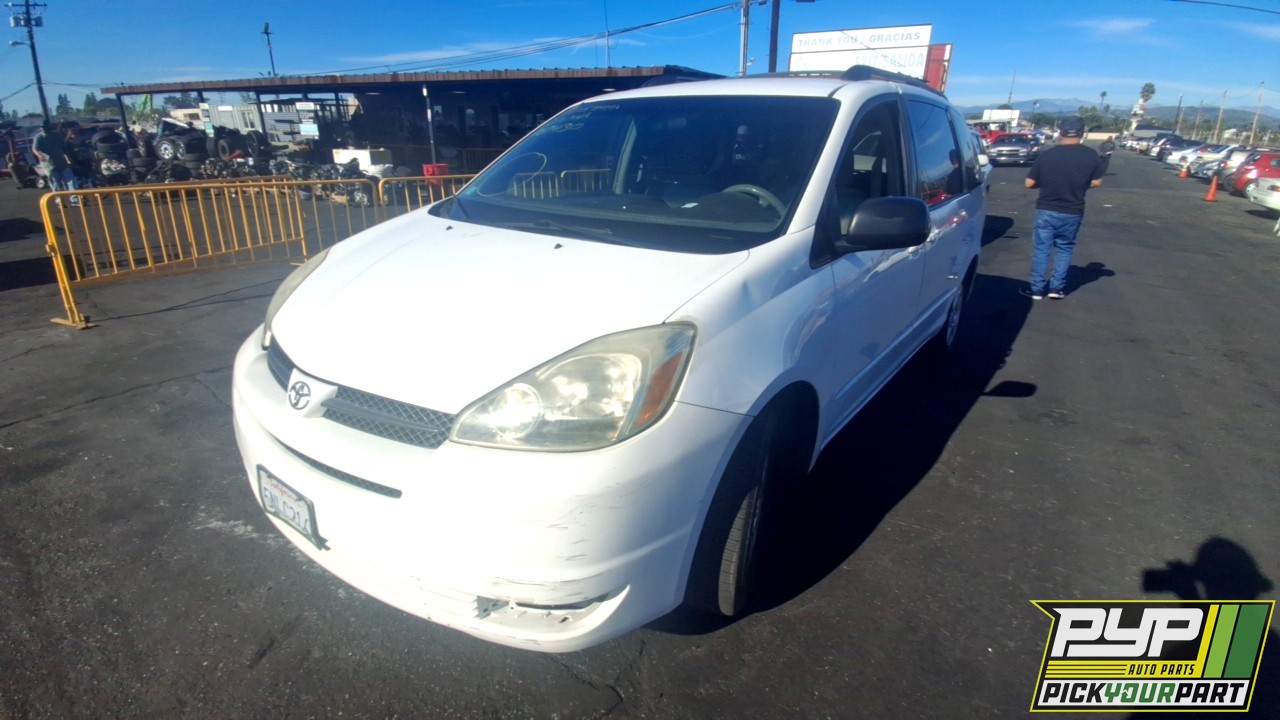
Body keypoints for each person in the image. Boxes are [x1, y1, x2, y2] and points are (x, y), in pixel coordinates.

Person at [1020, 116, 1102, 300]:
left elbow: (1029, 183)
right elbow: (1097, 181)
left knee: (1042, 250)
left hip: (1047, 209)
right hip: (1073, 210)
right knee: (1065, 249)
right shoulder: (1091, 155)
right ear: (1082, 133)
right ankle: (1056, 289)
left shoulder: (1047, 155)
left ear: (1060, 132)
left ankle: (1037, 289)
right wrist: (1080, 185)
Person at [33, 120, 79, 202]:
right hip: (49, 164)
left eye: (46, 128)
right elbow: (35, 148)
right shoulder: (39, 137)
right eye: (42, 128)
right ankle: (59, 201)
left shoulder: (56, 136)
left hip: (62, 162)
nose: (44, 129)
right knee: (56, 184)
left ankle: (74, 199)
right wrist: (39, 155)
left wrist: (68, 157)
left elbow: (63, 147)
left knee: (70, 181)